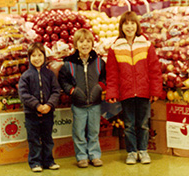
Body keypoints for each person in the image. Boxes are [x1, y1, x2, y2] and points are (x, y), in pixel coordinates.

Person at [106, 11, 163, 165]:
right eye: (126, 23)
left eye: (132, 23)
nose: (129, 26)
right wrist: (112, 92)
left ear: (137, 25)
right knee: (129, 124)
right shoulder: (115, 48)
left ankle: (143, 151)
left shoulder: (146, 45)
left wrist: (155, 91)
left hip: (144, 92)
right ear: (121, 27)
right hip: (126, 93)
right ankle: (131, 152)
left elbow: (154, 70)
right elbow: (111, 74)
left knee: (143, 124)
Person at [58, 29, 106, 168]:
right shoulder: (69, 64)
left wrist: (100, 86)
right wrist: (72, 91)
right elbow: (63, 80)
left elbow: (104, 77)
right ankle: (81, 157)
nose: (85, 44)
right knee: (78, 131)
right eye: (81, 41)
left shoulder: (99, 62)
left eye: (88, 41)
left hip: (95, 103)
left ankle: (94, 155)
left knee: (94, 131)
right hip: (78, 104)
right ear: (75, 45)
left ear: (92, 43)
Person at [18, 42, 61, 172]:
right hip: (32, 114)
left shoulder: (50, 74)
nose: (37, 58)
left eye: (40, 55)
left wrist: (49, 105)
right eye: (34, 55)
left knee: (48, 138)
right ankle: (35, 162)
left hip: (48, 112)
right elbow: (23, 94)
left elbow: (56, 91)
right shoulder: (25, 76)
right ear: (29, 58)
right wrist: (36, 105)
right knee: (34, 139)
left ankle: (49, 161)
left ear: (45, 56)